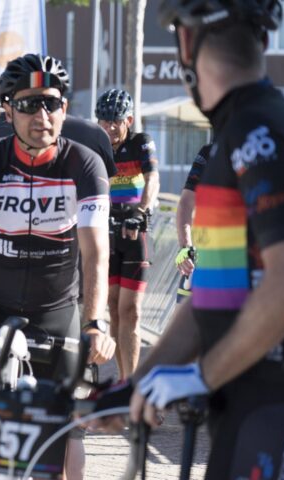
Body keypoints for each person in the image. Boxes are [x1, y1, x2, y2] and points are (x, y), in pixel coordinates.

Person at [107, 0, 284, 477]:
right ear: (262, 40)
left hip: (276, 406)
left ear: (187, 41)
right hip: (245, 408)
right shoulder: (240, 131)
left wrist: (200, 375)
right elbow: (211, 295)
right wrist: (138, 383)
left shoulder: (257, 132)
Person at [0, 53, 116, 480]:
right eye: (29, 104)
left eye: (51, 103)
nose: (42, 115)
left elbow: (96, 252)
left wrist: (95, 322)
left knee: (62, 444)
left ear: (64, 108)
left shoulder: (86, 165)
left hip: (57, 309)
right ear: (7, 109)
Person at [95, 88, 160, 379]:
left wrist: (141, 211)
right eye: (104, 121)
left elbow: (152, 179)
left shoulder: (140, 143)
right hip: (106, 234)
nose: (109, 127)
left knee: (130, 311)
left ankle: (132, 382)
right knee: (114, 309)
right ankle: (124, 380)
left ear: (129, 120)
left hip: (134, 233)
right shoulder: (97, 146)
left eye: (115, 121)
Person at [174, 143, 211, 303]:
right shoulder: (209, 152)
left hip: (245, 258)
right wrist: (186, 248)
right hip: (206, 251)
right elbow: (186, 203)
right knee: (182, 314)